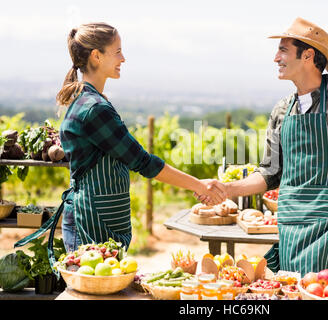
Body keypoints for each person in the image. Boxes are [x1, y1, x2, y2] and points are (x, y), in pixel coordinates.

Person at [15, 23, 226, 266]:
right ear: (96, 56)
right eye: (117, 51)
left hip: (99, 218)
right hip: (94, 222)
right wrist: (199, 184)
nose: (123, 58)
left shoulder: (90, 101)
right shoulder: (94, 109)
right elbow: (143, 162)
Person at [200, 17, 328, 276]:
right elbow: (270, 174)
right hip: (292, 230)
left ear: (308, 55)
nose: (276, 58)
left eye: (283, 50)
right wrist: (227, 188)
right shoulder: (281, 110)